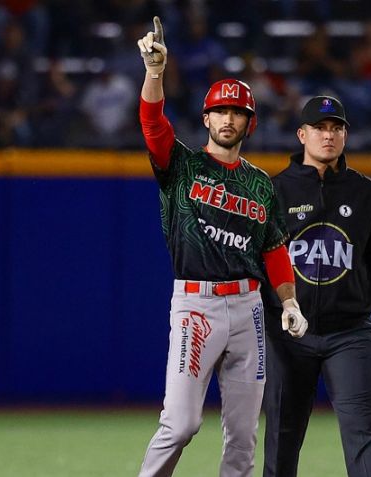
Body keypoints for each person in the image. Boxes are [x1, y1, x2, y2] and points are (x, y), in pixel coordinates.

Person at [134, 17, 308, 477]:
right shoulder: (181, 166)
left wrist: (288, 301)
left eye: (238, 113)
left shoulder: (259, 185)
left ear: (248, 123)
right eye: (221, 111)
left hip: (249, 308)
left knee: (243, 436)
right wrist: (155, 73)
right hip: (196, 304)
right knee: (182, 423)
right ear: (206, 118)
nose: (229, 119)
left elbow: (272, 248)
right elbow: (152, 123)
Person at [262, 95, 371, 477]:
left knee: (366, 433)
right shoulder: (276, 191)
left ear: (345, 135)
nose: (328, 136)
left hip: (350, 331)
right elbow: (258, 263)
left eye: (336, 128)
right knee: (282, 435)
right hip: (288, 333)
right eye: (320, 128)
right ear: (301, 134)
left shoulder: (365, 192)